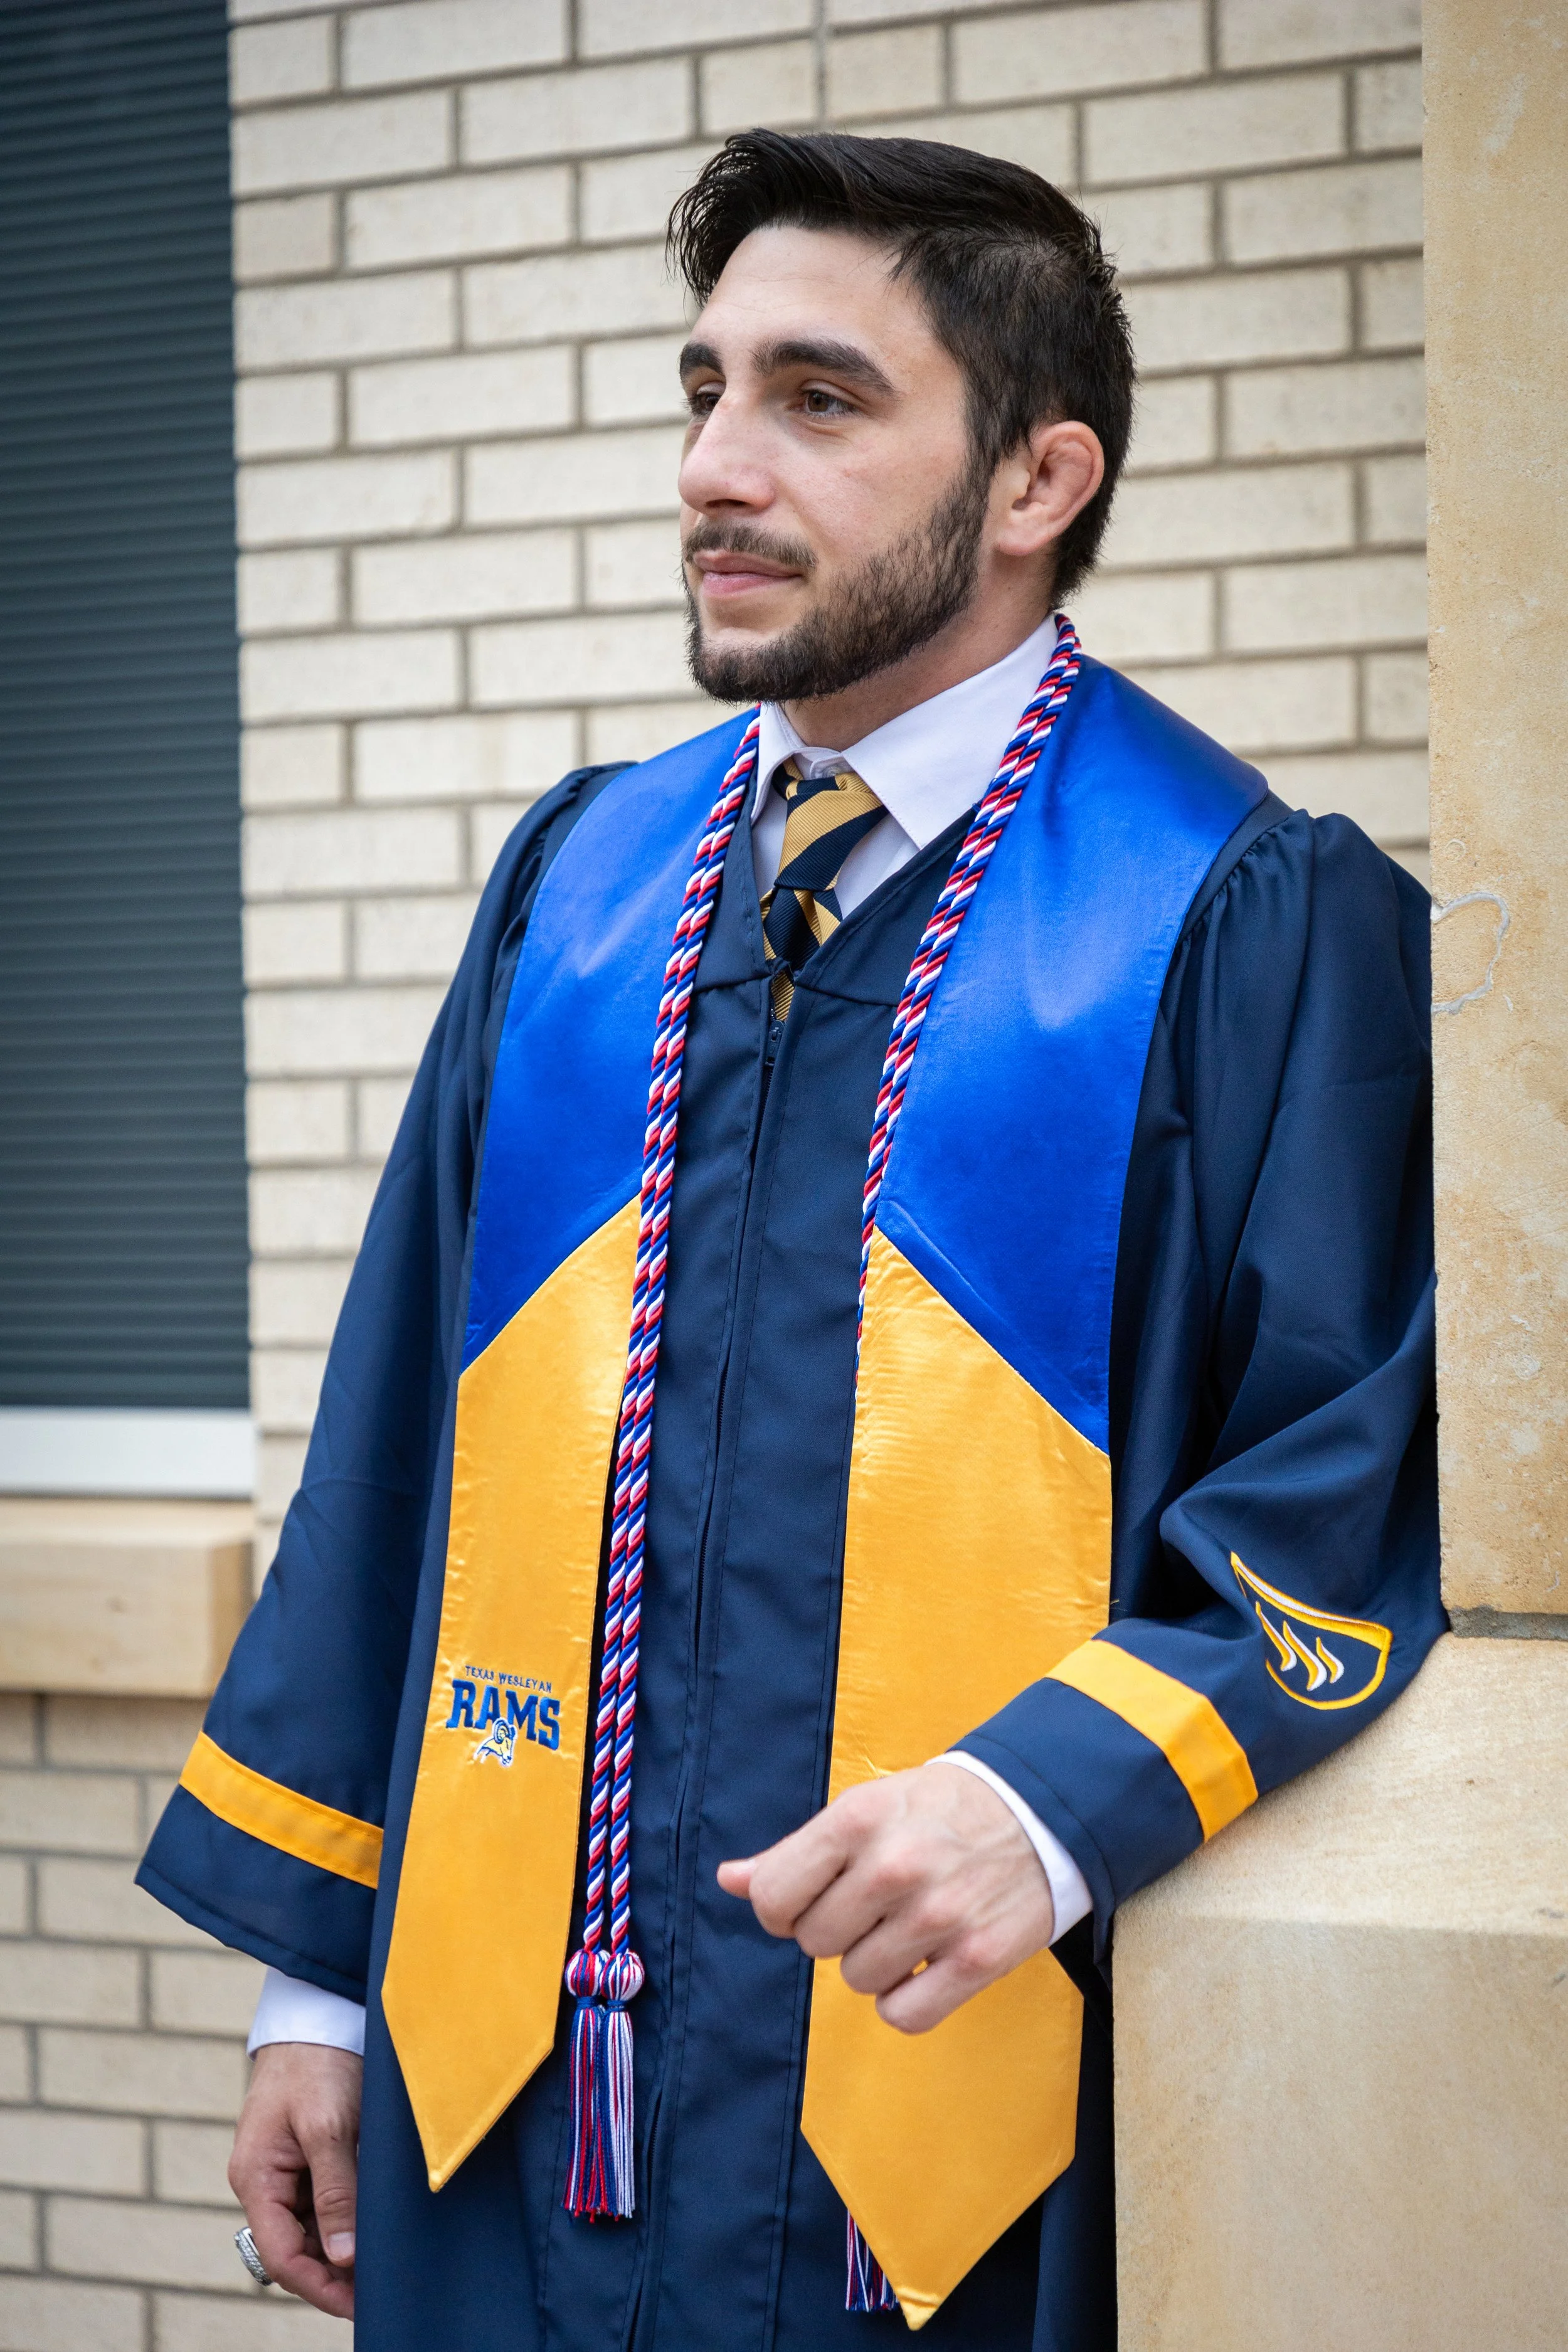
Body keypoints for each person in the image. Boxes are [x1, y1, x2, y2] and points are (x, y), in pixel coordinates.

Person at [138, 131, 1441, 2350]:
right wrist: (319, 1982)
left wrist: (1051, 1803)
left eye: (819, 400)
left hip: (939, 2125)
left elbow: (1356, 1475)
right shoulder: (582, 888)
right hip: (522, 2113)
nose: (714, 467)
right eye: (703, 386)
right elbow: (391, 1454)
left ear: (1034, 482)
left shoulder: (1243, 921)